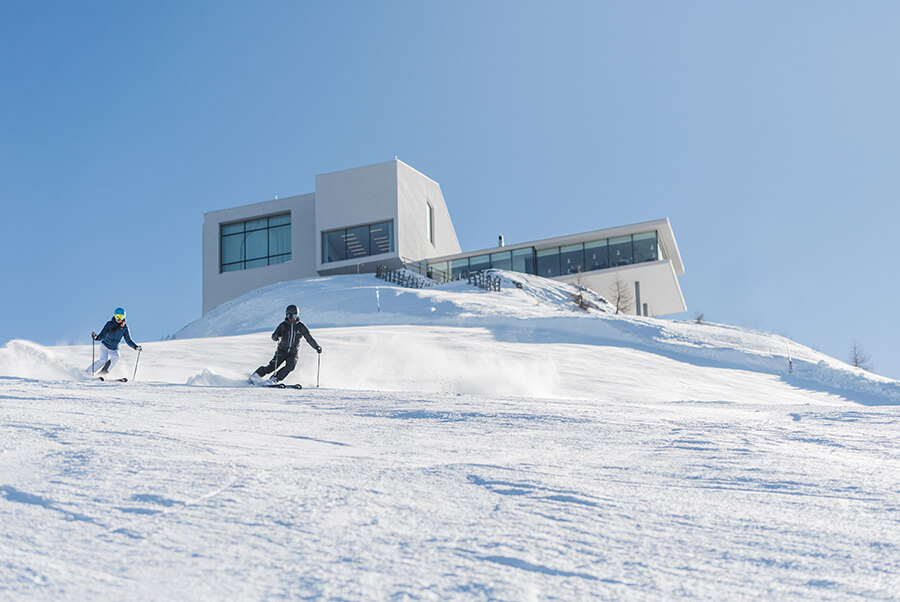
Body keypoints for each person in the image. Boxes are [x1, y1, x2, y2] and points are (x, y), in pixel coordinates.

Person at [250, 304, 322, 385]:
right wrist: (276, 337)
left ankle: (275, 379)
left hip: (293, 352)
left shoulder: (300, 326)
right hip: (282, 350)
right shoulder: (283, 325)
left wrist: (316, 347)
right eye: (289, 316)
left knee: (290, 366)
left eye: (294, 316)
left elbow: (309, 338)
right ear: (286, 315)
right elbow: (274, 336)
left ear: (297, 316)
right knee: (272, 366)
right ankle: (255, 376)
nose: (291, 319)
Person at [88, 307, 142, 376]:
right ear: (114, 316)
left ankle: (103, 372)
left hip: (114, 348)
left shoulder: (124, 328)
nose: (119, 318)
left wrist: (135, 347)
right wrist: (96, 337)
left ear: (124, 317)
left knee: (116, 357)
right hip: (105, 345)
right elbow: (102, 335)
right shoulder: (109, 324)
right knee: (103, 360)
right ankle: (88, 371)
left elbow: (128, 340)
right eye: (117, 316)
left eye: (121, 316)